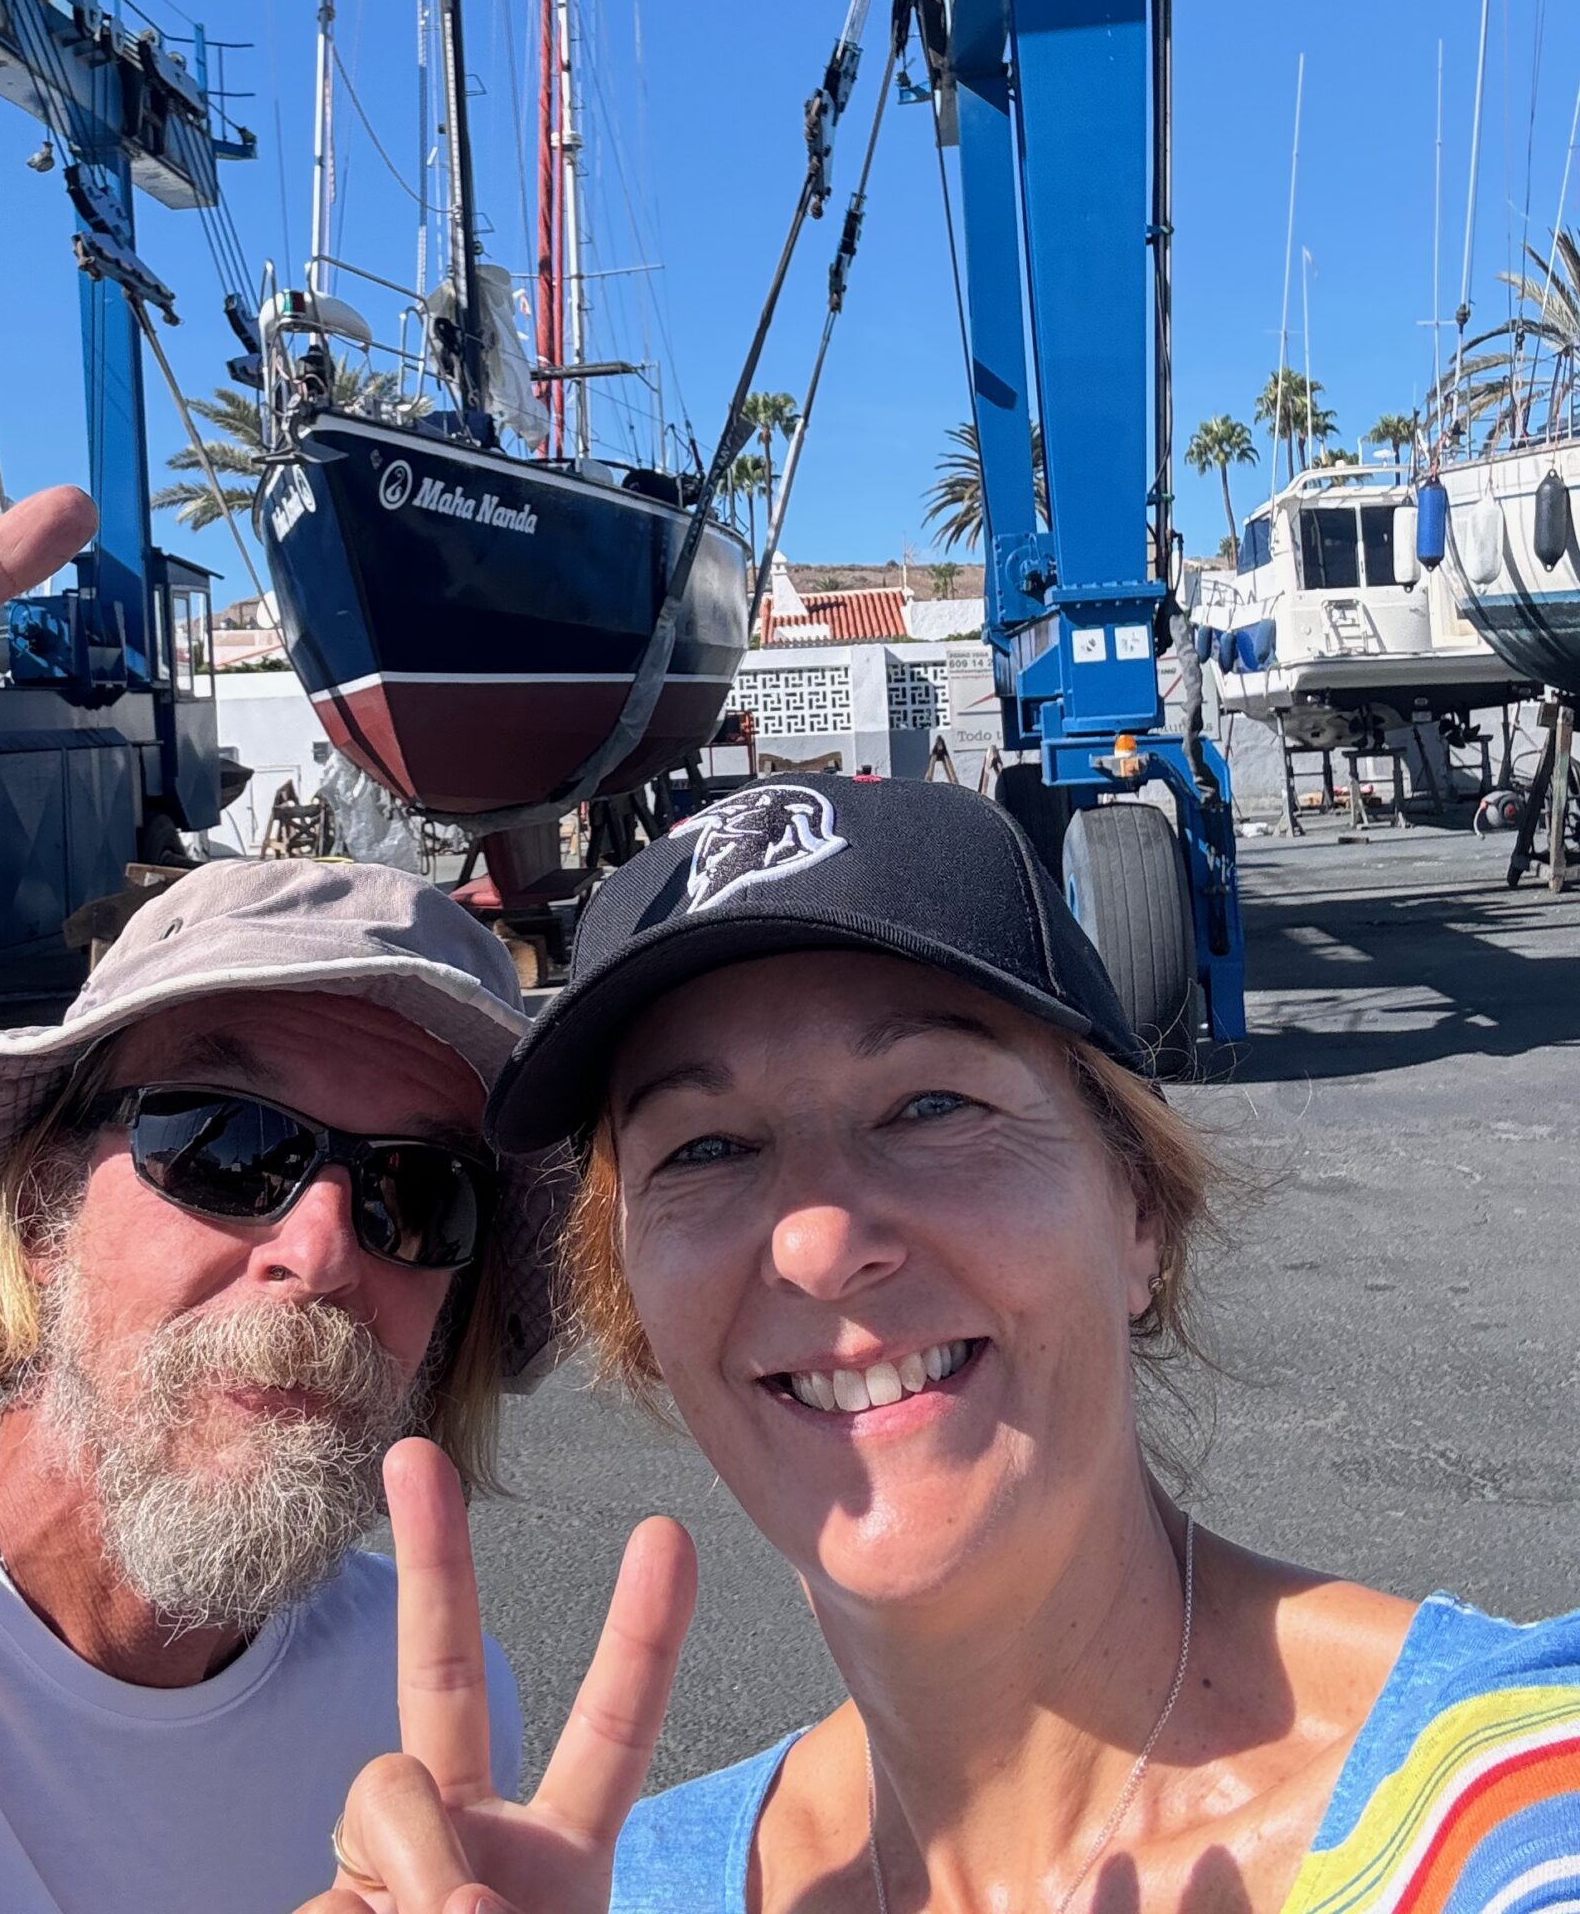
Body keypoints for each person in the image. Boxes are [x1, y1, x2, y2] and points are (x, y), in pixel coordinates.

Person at [303, 775, 1580, 1914]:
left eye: (930, 1104)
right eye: (705, 1148)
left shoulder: (1512, 1811)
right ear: (633, 1306)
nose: (814, 1241)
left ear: (1138, 1210)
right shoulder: (615, 1886)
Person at [0, 302, 550, 1910]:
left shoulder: (422, 1706)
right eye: (226, 1146)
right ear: (44, 1206)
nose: (326, 1247)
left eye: (423, 1192)